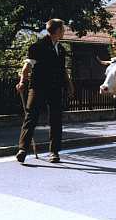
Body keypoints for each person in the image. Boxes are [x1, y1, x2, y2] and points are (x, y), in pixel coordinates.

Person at [15, 19, 74, 164]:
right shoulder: (38, 46)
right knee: (31, 117)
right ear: (57, 31)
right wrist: (23, 81)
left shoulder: (61, 49)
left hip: (55, 88)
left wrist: (69, 84)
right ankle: (22, 149)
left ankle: (54, 152)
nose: (64, 32)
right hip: (38, 87)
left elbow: (62, 70)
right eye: (63, 29)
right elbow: (27, 66)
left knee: (55, 119)